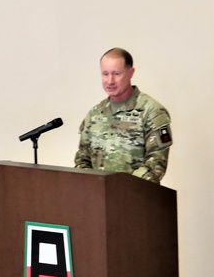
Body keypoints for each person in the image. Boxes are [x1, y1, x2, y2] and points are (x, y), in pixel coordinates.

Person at [74, 47, 173, 183]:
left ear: (130, 72)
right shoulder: (94, 114)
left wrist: (121, 190)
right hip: (98, 199)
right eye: (105, 74)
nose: (110, 81)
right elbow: (82, 159)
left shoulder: (151, 111)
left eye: (116, 74)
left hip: (134, 197)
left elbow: (156, 164)